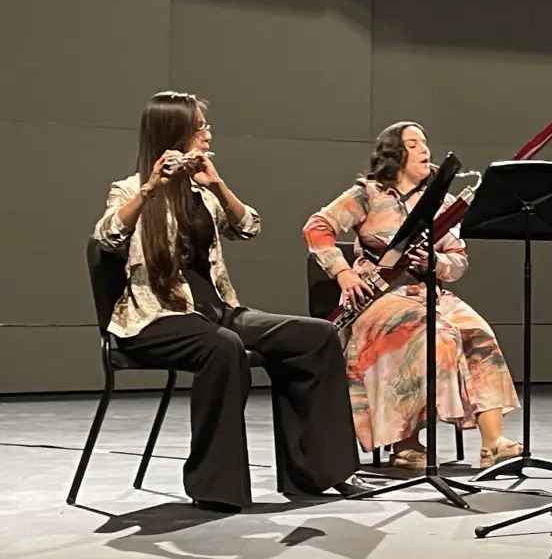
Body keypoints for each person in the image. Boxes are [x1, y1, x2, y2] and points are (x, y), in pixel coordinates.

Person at [92, 91, 367, 512]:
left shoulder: (202, 193)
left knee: (317, 336)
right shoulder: (129, 189)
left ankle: (320, 471)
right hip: (154, 319)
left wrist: (217, 184)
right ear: (175, 132)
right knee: (223, 347)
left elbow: (248, 227)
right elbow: (107, 236)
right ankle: (214, 485)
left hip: (219, 311)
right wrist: (150, 189)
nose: (208, 133)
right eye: (200, 126)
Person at [302, 121, 522, 470]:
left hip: (427, 292)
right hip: (379, 298)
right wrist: (342, 272)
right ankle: (405, 442)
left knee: (477, 332)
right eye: (414, 144)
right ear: (395, 154)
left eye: (425, 143)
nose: (425, 150)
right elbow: (317, 227)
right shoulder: (368, 194)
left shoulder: (443, 203)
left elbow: (459, 260)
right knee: (433, 336)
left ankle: (493, 442)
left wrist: (437, 262)